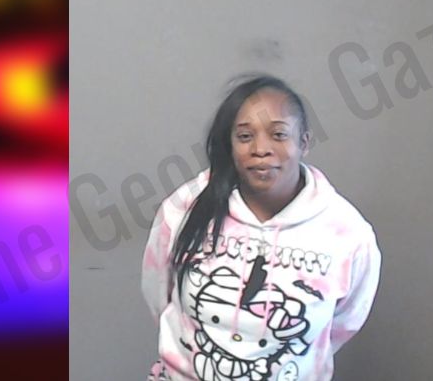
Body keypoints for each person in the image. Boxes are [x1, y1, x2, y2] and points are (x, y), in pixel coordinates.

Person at [141, 74, 382, 381]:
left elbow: (342, 325)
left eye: (279, 135)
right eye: (245, 136)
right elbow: (159, 297)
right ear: (230, 145)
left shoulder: (348, 234)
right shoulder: (184, 208)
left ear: (304, 142)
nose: (261, 149)